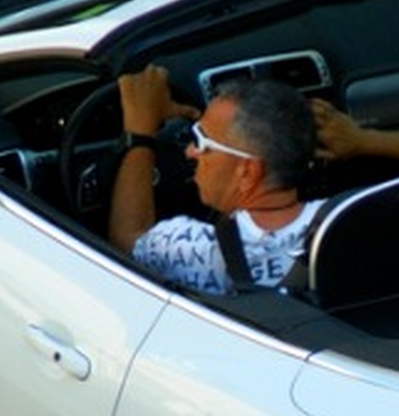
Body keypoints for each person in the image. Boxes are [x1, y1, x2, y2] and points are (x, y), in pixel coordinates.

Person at [107, 65, 323, 295]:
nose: (190, 151)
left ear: (247, 172)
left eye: (201, 141)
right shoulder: (347, 216)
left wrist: (139, 129)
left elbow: (125, 245)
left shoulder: (195, 250)